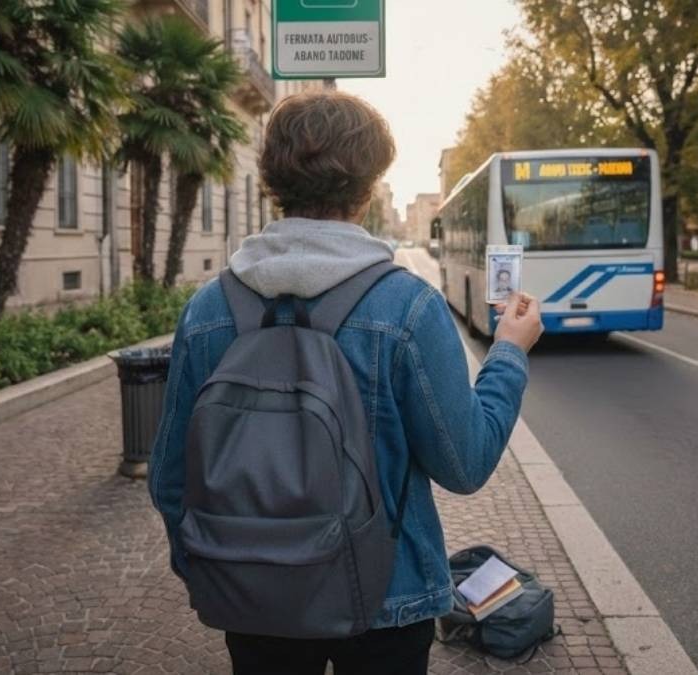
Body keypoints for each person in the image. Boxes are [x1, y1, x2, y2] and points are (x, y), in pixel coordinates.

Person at [148, 91, 543, 675]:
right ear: (366, 190)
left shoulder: (208, 311)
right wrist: (508, 352)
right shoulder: (407, 307)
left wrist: (215, 565)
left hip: (251, 594)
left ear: (271, 183)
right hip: (390, 594)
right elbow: (465, 464)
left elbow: (170, 480)